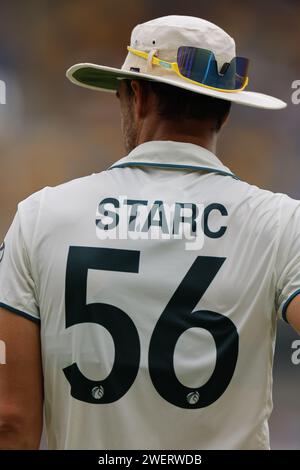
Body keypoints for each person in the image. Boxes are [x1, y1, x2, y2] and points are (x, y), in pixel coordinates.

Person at [0, 15, 298, 450]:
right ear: (226, 110)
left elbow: (11, 420)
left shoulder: (40, 216)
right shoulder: (280, 222)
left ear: (137, 97)